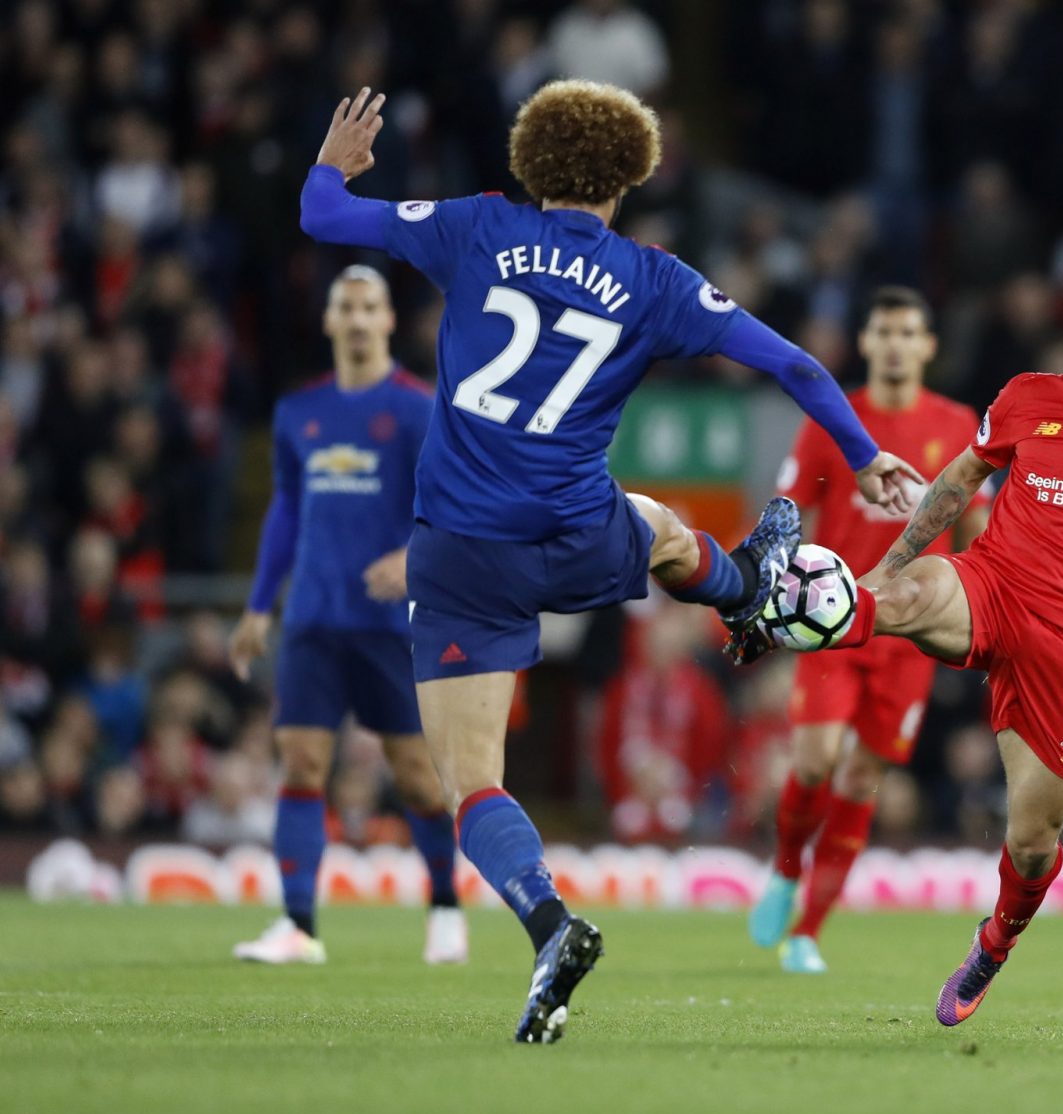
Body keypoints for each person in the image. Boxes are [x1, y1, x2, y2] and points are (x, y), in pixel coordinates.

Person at [298, 84, 918, 1042]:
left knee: (473, 784)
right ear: (630, 177)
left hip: (465, 554)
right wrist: (865, 453)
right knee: (660, 528)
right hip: (579, 527)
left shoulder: (475, 226)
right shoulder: (653, 277)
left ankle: (548, 922)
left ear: (529, 162)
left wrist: (335, 166)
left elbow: (322, 216)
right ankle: (748, 593)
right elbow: (793, 365)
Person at [731, 257, 1063, 1025]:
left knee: (1032, 841)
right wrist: (888, 570)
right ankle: (772, 615)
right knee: (905, 597)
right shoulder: (1026, 397)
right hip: (991, 583)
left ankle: (994, 943)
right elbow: (958, 482)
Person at [228, 266, 467, 967]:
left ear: (388, 320)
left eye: (370, 307)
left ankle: (446, 906)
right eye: (347, 307)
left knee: (416, 775)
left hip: (389, 625)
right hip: (312, 619)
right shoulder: (298, 412)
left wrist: (412, 557)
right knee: (302, 762)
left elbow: (452, 504)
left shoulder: (418, 409)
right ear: (330, 320)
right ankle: (298, 926)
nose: (358, 319)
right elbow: (286, 511)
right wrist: (258, 606)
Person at [749, 286, 991, 972]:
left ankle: (807, 933)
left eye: (907, 332)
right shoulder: (835, 418)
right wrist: (761, 602)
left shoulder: (956, 423)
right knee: (814, 762)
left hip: (912, 638)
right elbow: (787, 513)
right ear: (864, 342)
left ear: (928, 346)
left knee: (860, 782)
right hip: (832, 624)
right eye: (883, 332)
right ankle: (786, 868)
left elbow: (976, 532)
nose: (894, 345)